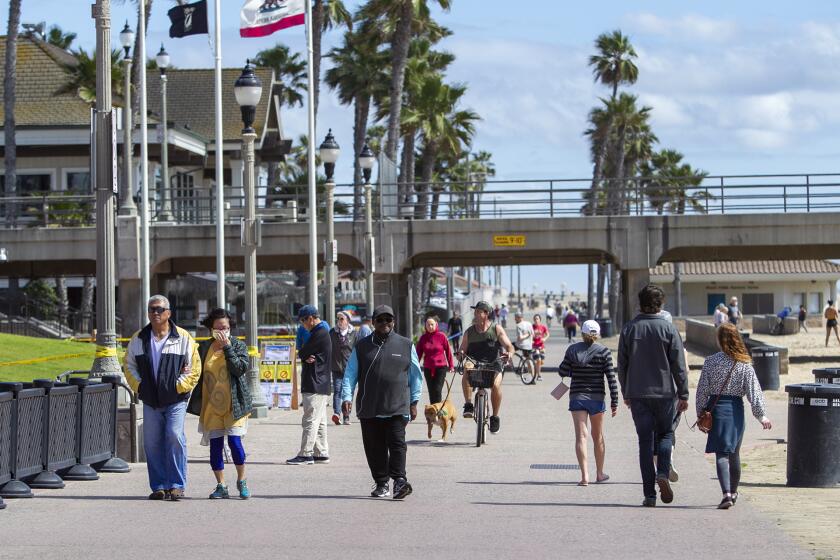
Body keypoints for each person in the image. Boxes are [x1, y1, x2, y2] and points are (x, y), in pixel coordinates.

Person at [617, 284, 689, 507]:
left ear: (640, 303)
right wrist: (684, 393)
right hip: (666, 394)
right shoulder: (669, 329)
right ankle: (663, 473)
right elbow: (679, 365)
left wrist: (625, 391)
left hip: (638, 393)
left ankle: (649, 494)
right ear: (661, 304)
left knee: (645, 443)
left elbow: (622, 364)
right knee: (666, 435)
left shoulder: (629, 329)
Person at [341, 305, 423, 499]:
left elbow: (416, 375)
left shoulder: (405, 344)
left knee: (397, 444)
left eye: (389, 320)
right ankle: (381, 483)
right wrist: (346, 396)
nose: (385, 323)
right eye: (380, 320)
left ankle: (400, 481)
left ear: (393, 322)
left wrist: (414, 401)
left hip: (397, 405)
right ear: (373, 322)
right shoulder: (361, 347)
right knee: (374, 448)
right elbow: (350, 373)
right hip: (370, 406)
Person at [124, 295, 201, 501]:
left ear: (169, 313)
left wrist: (178, 387)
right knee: (151, 443)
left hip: (175, 399)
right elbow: (129, 365)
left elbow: (193, 367)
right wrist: (140, 386)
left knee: (174, 436)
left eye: (159, 309)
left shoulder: (183, 337)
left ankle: (176, 485)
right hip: (150, 400)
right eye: (151, 310)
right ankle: (158, 485)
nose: (155, 313)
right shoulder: (139, 338)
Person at [696, 323, 772, 509]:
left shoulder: (711, 361)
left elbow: (702, 391)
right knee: (734, 454)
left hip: (716, 411)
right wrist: (761, 416)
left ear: (720, 340)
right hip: (736, 411)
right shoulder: (744, 364)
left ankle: (726, 494)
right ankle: (734, 492)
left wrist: (700, 412)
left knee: (721, 453)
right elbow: (754, 392)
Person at [187, 308, 252, 500]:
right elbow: (196, 371)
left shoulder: (238, 345)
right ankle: (221, 485)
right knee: (215, 446)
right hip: (212, 405)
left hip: (234, 404)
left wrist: (227, 347)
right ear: (211, 329)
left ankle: (242, 480)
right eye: (218, 328)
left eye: (225, 327)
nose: (222, 331)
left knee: (234, 442)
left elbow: (240, 369)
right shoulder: (204, 348)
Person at [558, 320, 618, 486]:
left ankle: (585, 476)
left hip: (577, 397)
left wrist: (573, 368)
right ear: (598, 334)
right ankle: (599, 473)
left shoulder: (572, 350)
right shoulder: (604, 352)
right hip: (597, 398)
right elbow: (611, 378)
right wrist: (615, 401)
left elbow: (562, 371)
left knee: (581, 437)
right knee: (597, 436)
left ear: (582, 333)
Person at [459, 301, 515, 434]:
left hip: (494, 363)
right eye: (475, 311)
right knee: (467, 367)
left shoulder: (496, 329)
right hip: (475, 362)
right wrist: (460, 354)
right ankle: (468, 404)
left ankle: (494, 417)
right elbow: (462, 349)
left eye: (479, 311)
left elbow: (509, 346)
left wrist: (510, 353)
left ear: (486, 314)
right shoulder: (469, 331)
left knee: (495, 386)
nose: (476, 314)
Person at [287, 305, 332, 465]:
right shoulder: (321, 332)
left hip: (314, 382)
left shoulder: (319, 332)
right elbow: (305, 353)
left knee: (310, 420)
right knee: (319, 421)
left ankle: (306, 454)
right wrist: (305, 355)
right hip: (321, 382)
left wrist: (304, 354)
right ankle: (321, 452)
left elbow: (303, 351)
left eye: (303, 321)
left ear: (311, 318)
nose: (302, 325)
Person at [416, 316, 454, 405]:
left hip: (440, 367)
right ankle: (433, 412)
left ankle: (437, 411)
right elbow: (418, 354)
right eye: (428, 325)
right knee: (431, 391)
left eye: (432, 324)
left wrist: (451, 365)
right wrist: (414, 366)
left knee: (437, 390)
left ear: (436, 325)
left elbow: (448, 351)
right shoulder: (423, 338)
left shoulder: (442, 336)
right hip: (428, 368)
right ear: (425, 326)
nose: (430, 326)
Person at [330, 311, 358, 425]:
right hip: (336, 367)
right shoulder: (332, 332)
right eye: (338, 319)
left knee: (348, 392)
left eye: (342, 319)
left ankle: (346, 416)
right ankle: (337, 413)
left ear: (347, 320)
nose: (339, 321)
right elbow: (327, 346)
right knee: (337, 391)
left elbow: (358, 349)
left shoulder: (354, 334)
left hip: (349, 369)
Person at [532, 313, 549, 381]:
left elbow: (547, 334)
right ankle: (538, 375)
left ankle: (537, 373)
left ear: (540, 320)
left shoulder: (543, 327)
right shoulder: (531, 327)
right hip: (534, 346)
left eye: (537, 319)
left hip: (541, 346)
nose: (536, 320)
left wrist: (544, 338)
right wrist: (531, 340)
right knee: (538, 360)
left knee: (540, 361)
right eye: (535, 319)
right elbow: (528, 334)